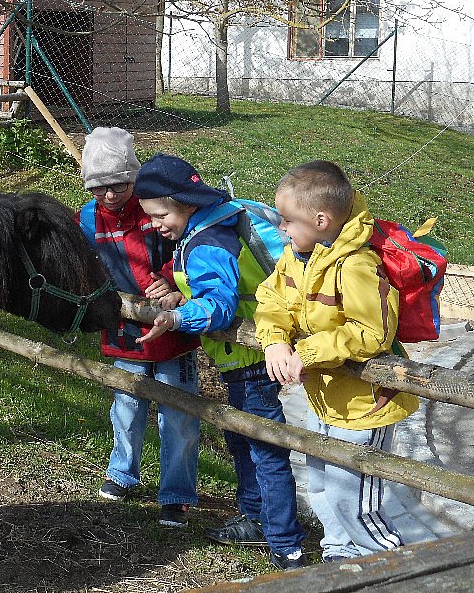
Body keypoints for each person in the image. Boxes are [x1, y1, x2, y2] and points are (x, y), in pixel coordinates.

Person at [133, 152, 306, 570]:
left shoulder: (208, 241)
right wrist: (180, 294)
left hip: (253, 358)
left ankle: (285, 544)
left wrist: (177, 318)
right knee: (243, 438)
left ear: (186, 202)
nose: (155, 225)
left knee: (264, 447)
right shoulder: (214, 223)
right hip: (246, 357)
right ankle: (254, 517)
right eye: (150, 216)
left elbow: (219, 305)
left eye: (160, 215)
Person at [256, 160, 419, 563]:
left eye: (287, 220)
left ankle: (391, 565)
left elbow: (372, 333)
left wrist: (308, 352)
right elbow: (271, 299)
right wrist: (274, 341)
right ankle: (340, 555)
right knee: (322, 488)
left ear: (320, 221)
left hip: (365, 406)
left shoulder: (358, 265)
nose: (281, 228)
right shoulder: (297, 256)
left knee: (355, 500)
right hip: (324, 401)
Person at [77, 129, 201, 528]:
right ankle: (123, 472)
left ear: (134, 178)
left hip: (173, 329)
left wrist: (172, 281)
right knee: (126, 406)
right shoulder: (88, 218)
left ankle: (177, 493)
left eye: (120, 184)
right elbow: (82, 261)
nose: (111, 194)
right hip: (123, 330)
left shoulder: (155, 209)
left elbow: (186, 248)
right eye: (100, 187)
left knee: (178, 414)